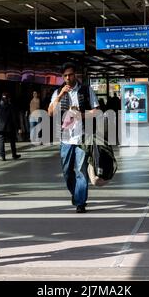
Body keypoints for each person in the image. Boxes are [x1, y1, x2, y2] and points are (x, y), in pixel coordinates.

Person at [48, 62, 99, 213]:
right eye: (65, 75)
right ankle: (76, 194)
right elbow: (50, 112)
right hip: (65, 139)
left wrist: (82, 115)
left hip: (82, 138)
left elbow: (96, 111)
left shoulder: (86, 90)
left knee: (81, 171)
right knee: (66, 172)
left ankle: (80, 202)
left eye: (70, 74)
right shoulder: (57, 92)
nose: (68, 78)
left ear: (75, 74)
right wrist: (61, 95)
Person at [0, 92, 21, 160]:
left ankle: (3, 157)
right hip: (9, 127)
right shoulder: (11, 106)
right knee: (12, 141)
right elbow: (14, 117)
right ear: (8, 98)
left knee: (1, 141)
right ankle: (14, 155)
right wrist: (18, 127)